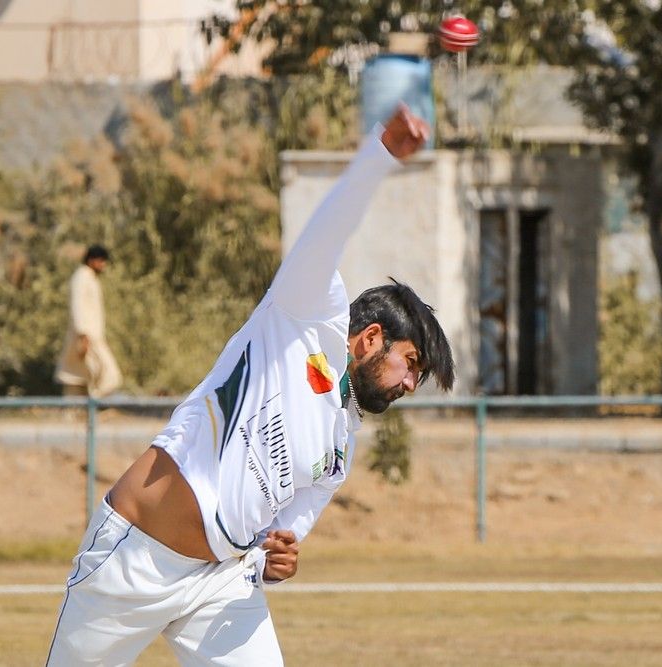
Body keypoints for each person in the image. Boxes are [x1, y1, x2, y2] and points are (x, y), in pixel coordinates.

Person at [46, 105, 455, 666]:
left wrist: (277, 561)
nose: (410, 383)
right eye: (410, 363)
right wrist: (378, 156)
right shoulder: (306, 314)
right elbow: (327, 232)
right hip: (134, 558)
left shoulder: (342, 445)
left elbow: (278, 540)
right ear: (370, 338)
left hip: (222, 582)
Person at [54, 244, 123, 397]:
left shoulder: (90, 278)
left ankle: (89, 406)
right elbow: (77, 306)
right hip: (87, 338)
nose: (103, 265)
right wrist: (83, 335)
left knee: (81, 379)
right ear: (91, 260)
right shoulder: (81, 277)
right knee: (110, 376)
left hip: (93, 337)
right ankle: (94, 401)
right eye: (101, 261)